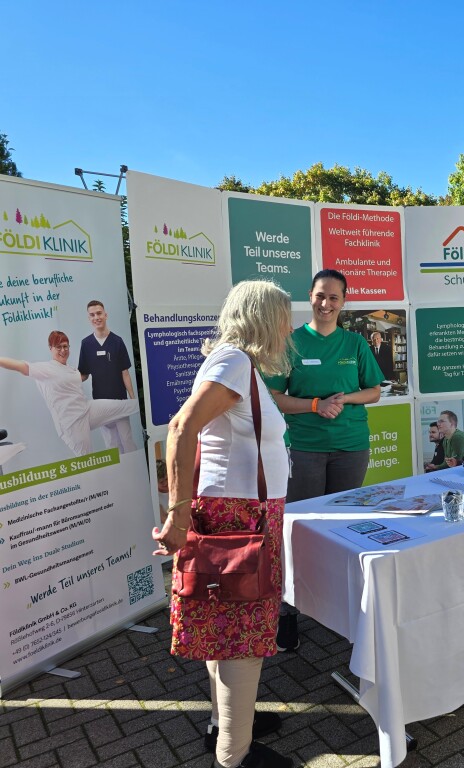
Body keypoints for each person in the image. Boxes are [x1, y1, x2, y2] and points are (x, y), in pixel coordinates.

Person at [151, 280, 294, 768]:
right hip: (239, 516)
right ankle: (234, 755)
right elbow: (181, 426)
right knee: (243, 632)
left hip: (240, 512)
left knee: (225, 624)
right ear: (262, 318)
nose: (288, 327)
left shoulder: (236, 363)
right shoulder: (234, 361)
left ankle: (227, 723)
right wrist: (177, 511)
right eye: (283, 317)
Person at [265, 269, 382, 652]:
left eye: (334, 297)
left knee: (344, 529)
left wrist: (343, 399)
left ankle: (340, 606)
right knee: (297, 531)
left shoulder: (355, 343)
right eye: (320, 296)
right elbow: (275, 397)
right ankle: (288, 612)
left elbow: (374, 391)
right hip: (305, 450)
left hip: (351, 447)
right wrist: (316, 405)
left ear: (344, 301)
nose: (326, 304)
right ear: (309, 297)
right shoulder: (292, 343)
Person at [0, 331, 139, 457]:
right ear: (51, 348)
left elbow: (79, 378)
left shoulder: (69, 369)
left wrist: (99, 367)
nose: (63, 350)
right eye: (58, 347)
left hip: (87, 409)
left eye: (65, 346)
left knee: (123, 406)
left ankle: (148, 406)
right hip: (72, 423)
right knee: (87, 461)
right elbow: (18, 366)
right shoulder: (45, 369)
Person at [78, 299, 137, 453]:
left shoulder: (117, 342)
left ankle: (132, 472)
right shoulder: (86, 344)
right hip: (101, 403)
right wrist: (67, 379)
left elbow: (125, 372)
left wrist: (132, 398)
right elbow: (83, 374)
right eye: (92, 315)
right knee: (111, 444)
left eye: (99, 313)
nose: (96, 317)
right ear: (89, 318)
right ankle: (119, 474)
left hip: (119, 401)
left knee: (127, 440)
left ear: (105, 315)